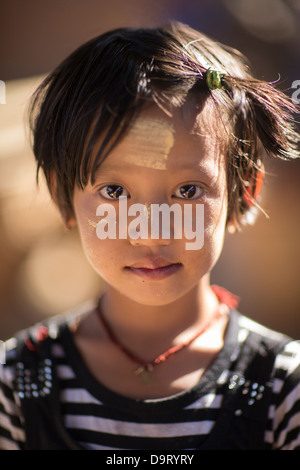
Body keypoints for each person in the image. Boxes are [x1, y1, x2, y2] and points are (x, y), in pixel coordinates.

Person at [0, 22, 300, 451]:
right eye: (115, 192)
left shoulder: (285, 388)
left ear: (244, 192)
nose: (150, 230)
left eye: (187, 191)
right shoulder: (13, 384)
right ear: (62, 197)